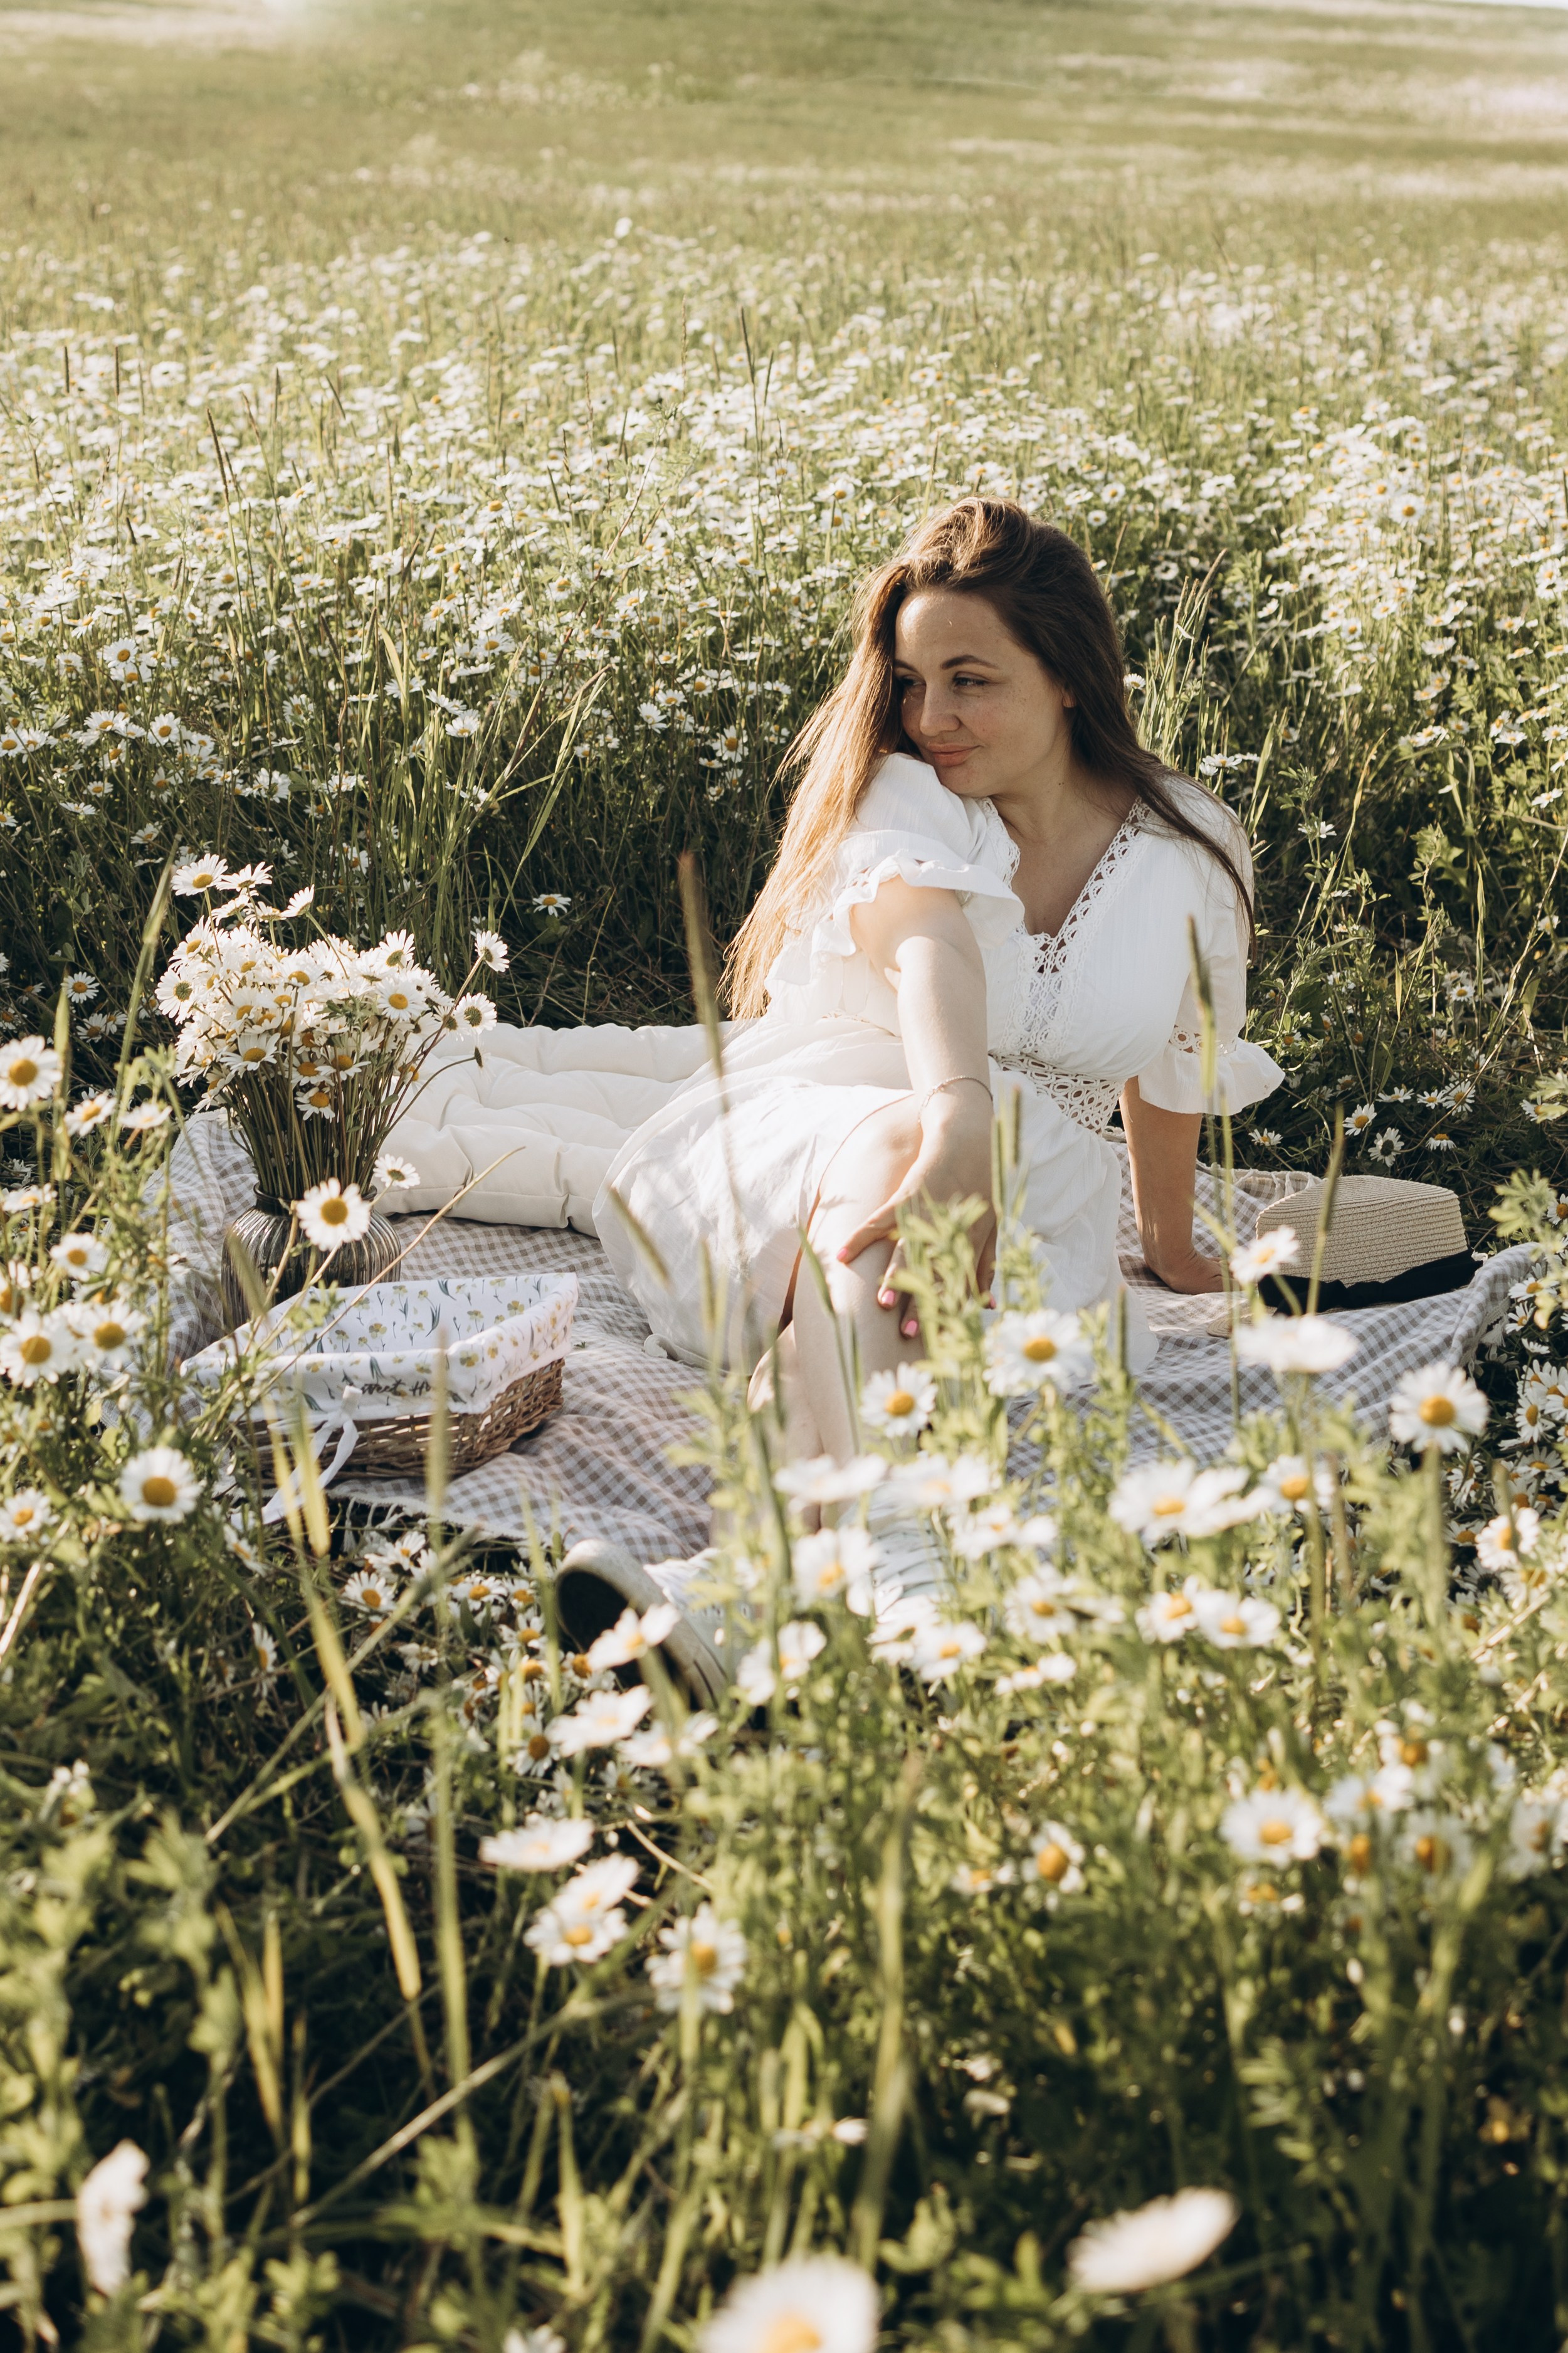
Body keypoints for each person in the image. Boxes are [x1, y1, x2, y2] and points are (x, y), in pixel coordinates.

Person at [592, 497, 1282, 1471]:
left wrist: (1170, 1247)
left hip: (1028, 1211)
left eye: (969, 681)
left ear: (1070, 678)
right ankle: (906, 1564)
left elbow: (1175, 1060)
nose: (928, 719)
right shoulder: (907, 795)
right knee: (908, 1154)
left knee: (837, 1354)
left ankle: (770, 1588)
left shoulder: (1190, 849)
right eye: (912, 682)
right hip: (794, 1153)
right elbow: (932, 947)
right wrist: (958, 1125)